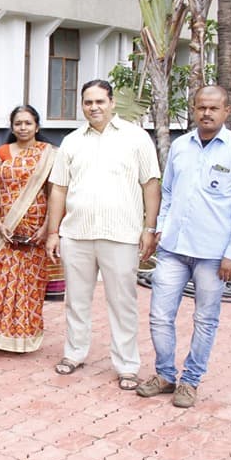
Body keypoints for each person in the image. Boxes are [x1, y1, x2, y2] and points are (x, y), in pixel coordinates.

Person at [137, 86, 231, 408]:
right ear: (194, 109)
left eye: (214, 108)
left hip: (213, 256)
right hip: (174, 250)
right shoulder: (180, 147)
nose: (207, 113)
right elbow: (167, 193)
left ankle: (190, 381)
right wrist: (160, 229)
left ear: (226, 111)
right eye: (201, 107)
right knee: (159, 315)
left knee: (205, 320)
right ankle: (165, 375)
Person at [45, 80, 161, 391]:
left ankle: (126, 365)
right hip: (77, 234)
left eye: (99, 101)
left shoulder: (136, 139)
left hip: (121, 235)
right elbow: (58, 188)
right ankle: (74, 353)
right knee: (76, 301)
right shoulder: (71, 142)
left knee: (123, 302)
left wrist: (149, 228)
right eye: (88, 102)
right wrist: (54, 232)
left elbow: (151, 184)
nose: (94, 107)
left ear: (112, 103)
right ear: (81, 105)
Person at [0, 105, 56, 353]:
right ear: (12, 127)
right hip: (6, 229)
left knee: (30, 286)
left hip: (35, 231)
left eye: (28, 123)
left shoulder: (48, 155)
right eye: (18, 123)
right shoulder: (2, 152)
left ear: (37, 126)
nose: (23, 128)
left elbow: (54, 193)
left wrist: (47, 227)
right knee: (2, 282)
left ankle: (27, 337)